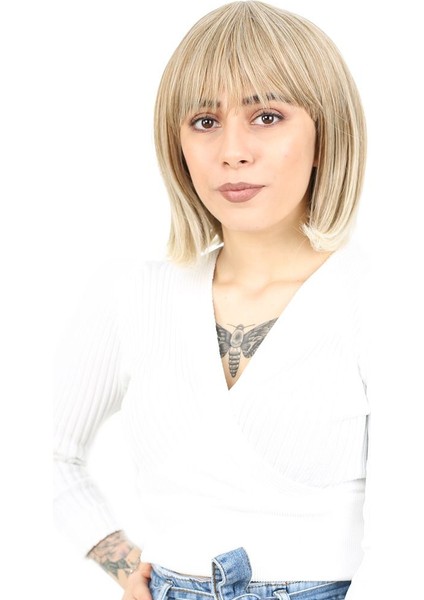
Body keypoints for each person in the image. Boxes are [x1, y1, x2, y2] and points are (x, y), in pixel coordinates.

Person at [53, 2, 391, 599]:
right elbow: (46, 453)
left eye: (267, 116)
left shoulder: (383, 301)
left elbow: (410, 541)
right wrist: (123, 565)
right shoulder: (132, 296)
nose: (233, 150)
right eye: (205, 121)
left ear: (325, 135)